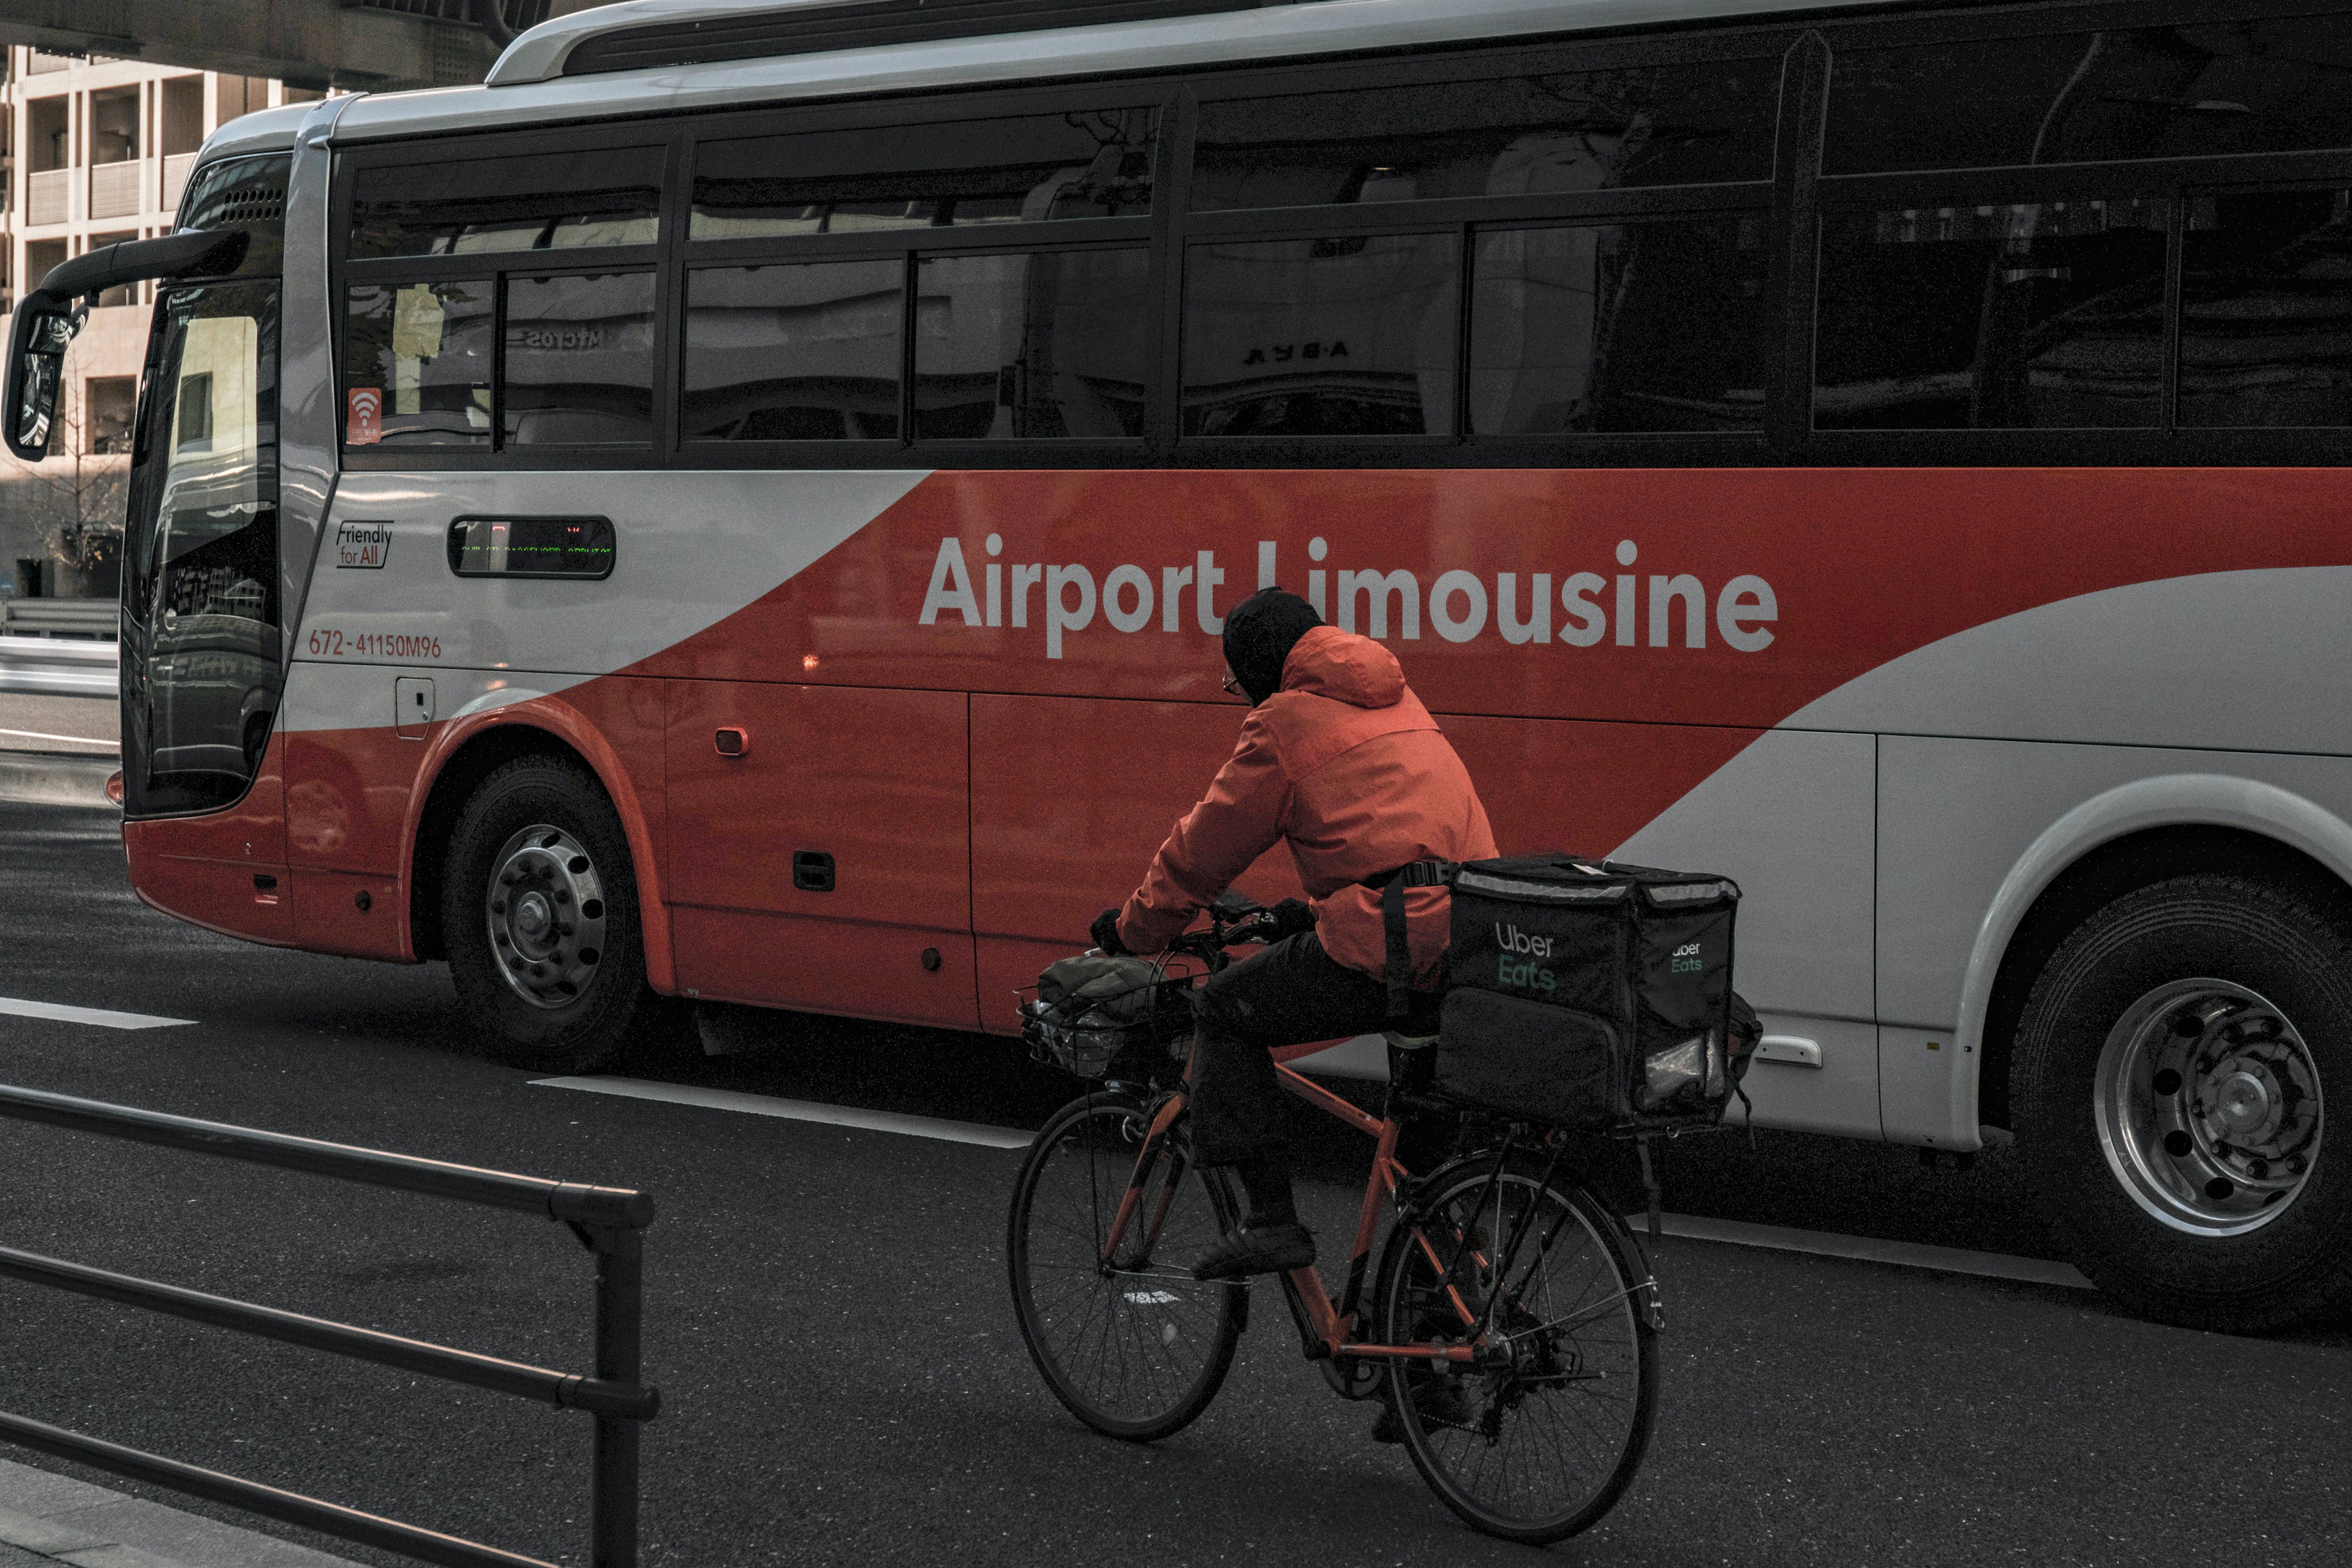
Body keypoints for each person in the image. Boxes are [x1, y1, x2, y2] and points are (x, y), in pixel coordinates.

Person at [1090, 586, 1498, 1282]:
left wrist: (1134, 931)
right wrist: (1306, 914)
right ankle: (1434, 1352)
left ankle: (1270, 1220)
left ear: (1258, 671)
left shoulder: (1283, 720)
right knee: (1423, 1177)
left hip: (1395, 944)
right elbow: (1400, 845)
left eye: (1238, 684)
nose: (1242, 697)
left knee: (1222, 1009)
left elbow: (1202, 852)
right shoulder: (1397, 697)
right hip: (1473, 933)